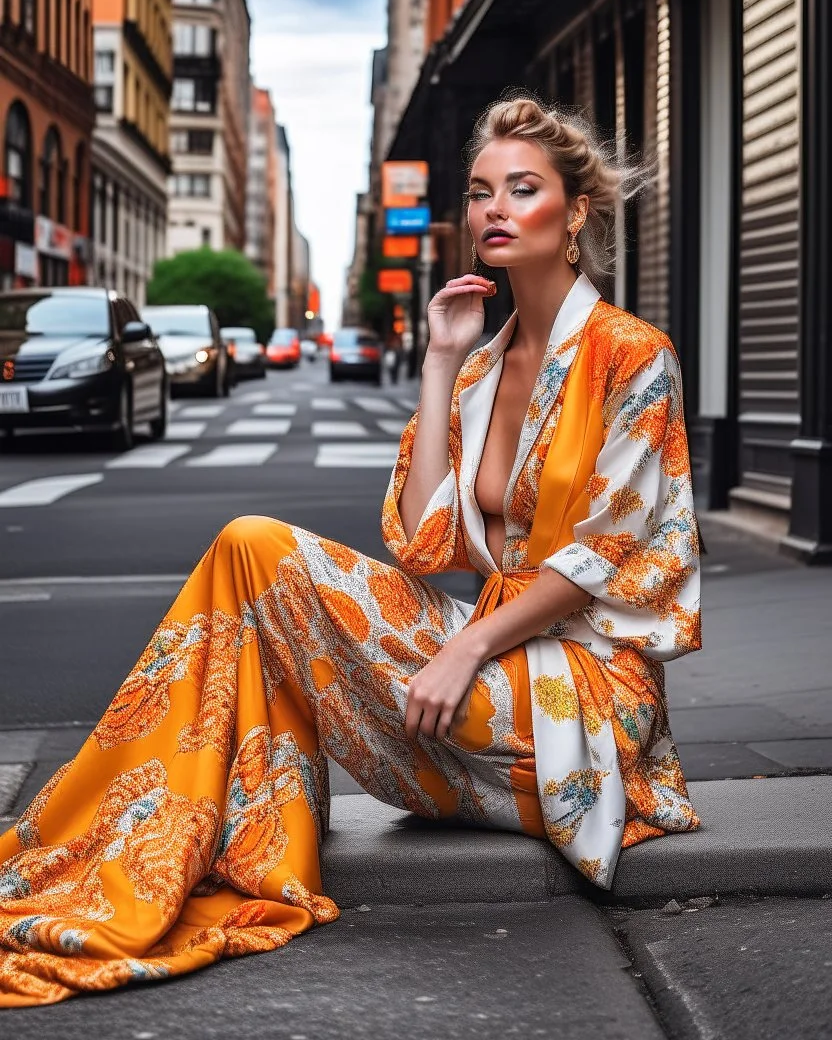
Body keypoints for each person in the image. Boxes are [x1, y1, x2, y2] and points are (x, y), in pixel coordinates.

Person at [0, 98, 701, 1008]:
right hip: (475, 685)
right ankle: (150, 839)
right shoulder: (484, 368)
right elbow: (423, 540)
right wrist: (441, 365)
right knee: (247, 550)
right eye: (481, 191)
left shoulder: (633, 356)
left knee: (259, 568)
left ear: (574, 213)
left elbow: (605, 556)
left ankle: (168, 835)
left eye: (522, 190)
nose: (493, 208)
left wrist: (464, 647)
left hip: (586, 702)